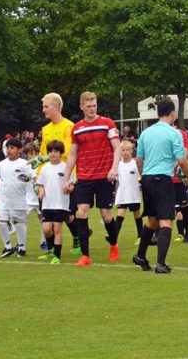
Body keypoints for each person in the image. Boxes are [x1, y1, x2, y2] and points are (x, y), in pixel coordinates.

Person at [132, 98, 188, 274]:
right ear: (173, 114)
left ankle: (140, 256)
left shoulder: (146, 132)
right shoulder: (173, 133)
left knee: (152, 221)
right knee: (166, 221)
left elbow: (138, 160)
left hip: (147, 179)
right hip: (162, 179)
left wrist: (143, 175)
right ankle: (161, 264)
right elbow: (182, 161)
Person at [63, 92, 122, 266]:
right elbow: (72, 154)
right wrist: (66, 178)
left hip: (104, 176)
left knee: (106, 215)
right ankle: (85, 255)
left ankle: (113, 244)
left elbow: (117, 148)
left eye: (94, 105)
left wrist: (114, 168)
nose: (92, 109)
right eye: (88, 106)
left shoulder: (107, 124)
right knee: (82, 211)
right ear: (81, 107)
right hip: (85, 177)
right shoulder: (77, 128)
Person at [39, 93, 81, 254]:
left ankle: (77, 241)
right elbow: (43, 155)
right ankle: (51, 250)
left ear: (56, 107)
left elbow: (69, 153)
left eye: (46, 106)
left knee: (68, 215)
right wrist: (38, 179)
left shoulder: (69, 127)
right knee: (49, 216)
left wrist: (46, 156)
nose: (43, 110)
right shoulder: (46, 129)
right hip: (49, 180)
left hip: (67, 178)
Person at [0, 138, 32, 258]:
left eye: (12, 148)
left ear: (19, 150)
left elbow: (30, 178)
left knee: (20, 224)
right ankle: (8, 247)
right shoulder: (1, 164)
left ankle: (22, 248)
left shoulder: (25, 164)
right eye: (8, 147)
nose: (9, 150)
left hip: (19, 199)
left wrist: (25, 179)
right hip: (3, 200)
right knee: (0, 223)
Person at [36, 140, 74, 264]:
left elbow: (72, 183)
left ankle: (56, 256)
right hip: (47, 204)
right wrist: (41, 191)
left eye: (56, 151)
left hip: (61, 204)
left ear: (61, 153)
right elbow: (41, 184)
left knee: (57, 229)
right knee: (46, 229)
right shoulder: (44, 168)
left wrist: (69, 188)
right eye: (51, 151)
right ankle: (51, 250)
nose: (53, 154)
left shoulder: (65, 167)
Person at [114, 141, 143, 245]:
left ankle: (140, 236)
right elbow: (117, 180)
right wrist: (116, 194)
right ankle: (114, 238)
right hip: (122, 195)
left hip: (133, 195)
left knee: (137, 214)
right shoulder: (118, 164)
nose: (125, 152)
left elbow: (141, 177)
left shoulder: (135, 163)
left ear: (131, 151)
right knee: (120, 215)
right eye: (123, 150)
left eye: (127, 150)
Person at [23, 142, 46, 252]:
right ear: (26, 154)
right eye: (30, 154)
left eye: (35, 153)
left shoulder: (41, 166)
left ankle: (44, 241)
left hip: (40, 198)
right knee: (22, 220)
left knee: (43, 220)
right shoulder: (25, 166)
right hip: (27, 199)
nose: (33, 156)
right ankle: (21, 244)